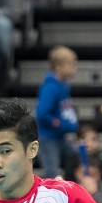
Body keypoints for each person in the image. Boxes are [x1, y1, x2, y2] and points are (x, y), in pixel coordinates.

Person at [35, 45, 78, 180]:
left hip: (60, 137)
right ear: (59, 67)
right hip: (49, 137)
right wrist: (61, 125)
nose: (74, 68)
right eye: (71, 65)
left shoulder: (63, 86)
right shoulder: (50, 88)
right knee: (52, 173)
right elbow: (42, 114)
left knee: (75, 158)